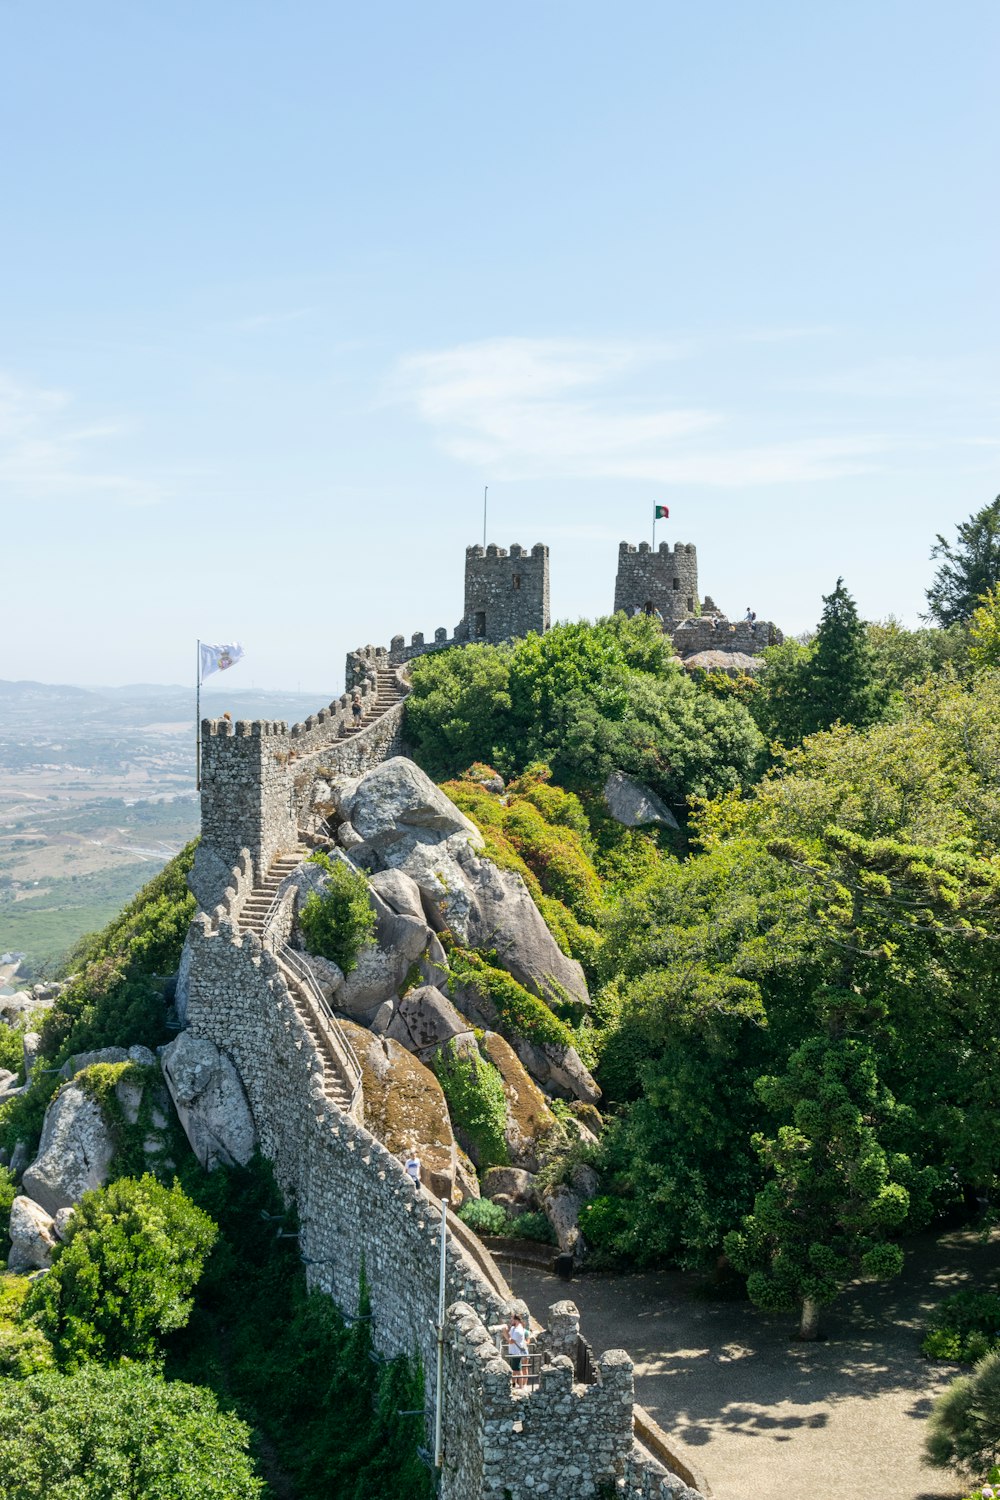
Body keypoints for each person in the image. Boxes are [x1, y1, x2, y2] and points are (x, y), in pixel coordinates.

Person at [507, 1313, 529, 1388]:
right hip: (512, 1352)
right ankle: (513, 1385)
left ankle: (521, 1387)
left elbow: (511, 1341)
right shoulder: (514, 1328)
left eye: (512, 1319)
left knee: (518, 1371)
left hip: (516, 1353)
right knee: (513, 1370)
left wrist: (504, 1333)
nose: (511, 1321)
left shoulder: (518, 1330)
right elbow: (510, 1336)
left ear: (516, 1320)